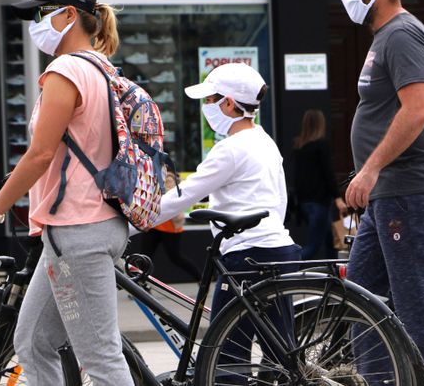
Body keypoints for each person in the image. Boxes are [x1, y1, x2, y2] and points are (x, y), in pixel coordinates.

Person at [0, 0, 134, 386]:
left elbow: (39, 154)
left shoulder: (66, 70)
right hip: (89, 227)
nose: (33, 23)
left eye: (40, 14)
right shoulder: (104, 69)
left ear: (68, 15)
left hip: (79, 232)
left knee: (101, 357)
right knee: (33, 340)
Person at [324, 0, 424, 385]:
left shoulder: (402, 35)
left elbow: (416, 110)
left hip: (408, 187)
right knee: (363, 296)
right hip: (390, 192)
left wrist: (371, 168)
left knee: (418, 305)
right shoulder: (385, 37)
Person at [153, 62, 301, 383]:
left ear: (230, 104)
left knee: (224, 356)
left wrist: (136, 217)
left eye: (210, 100)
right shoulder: (264, 142)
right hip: (280, 250)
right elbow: (279, 202)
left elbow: (183, 194)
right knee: (279, 352)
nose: (206, 107)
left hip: (247, 257)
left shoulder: (230, 150)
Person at [292, 109, 347, 259]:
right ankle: (288, 269)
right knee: (313, 245)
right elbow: (328, 173)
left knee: (330, 240)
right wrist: (338, 198)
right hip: (320, 201)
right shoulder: (321, 145)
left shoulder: (299, 146)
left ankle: (333, 272)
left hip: (305, 202)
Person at [141, 168, 201, 283]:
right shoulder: (154, 176)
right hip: (154, 224)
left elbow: (170, 196)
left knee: (175, 257)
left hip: (169, 226)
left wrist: (155, 188)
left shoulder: (168, 178)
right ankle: (141, 284)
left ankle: (200, 277)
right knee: (145, 256)